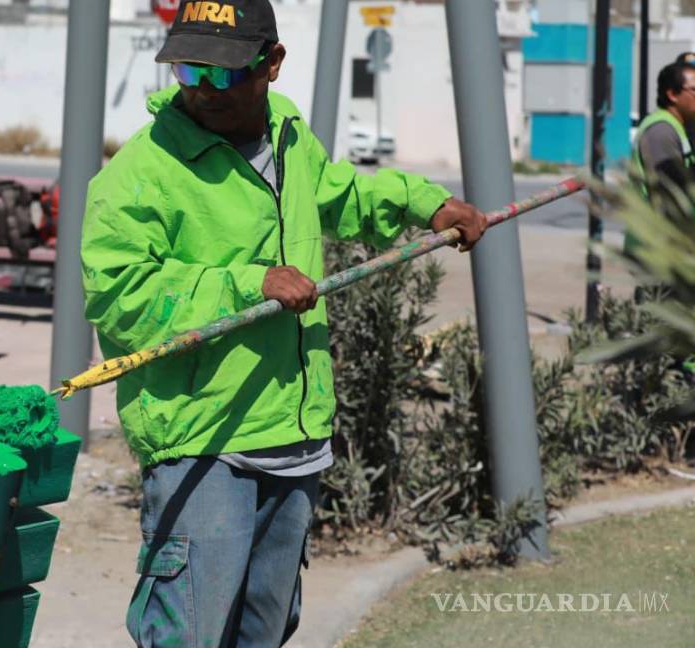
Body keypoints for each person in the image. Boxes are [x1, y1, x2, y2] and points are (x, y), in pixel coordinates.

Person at [79, 1, 487, 646]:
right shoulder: (134, 178)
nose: (202, 92)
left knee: (265, 631)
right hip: (202, 444)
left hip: (294, 435)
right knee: (189, 634)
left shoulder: (289, 134)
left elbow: (335, 193)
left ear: (271, 64)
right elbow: (122, 303)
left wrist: (425, 202)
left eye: (222, 74)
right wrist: (248, 283)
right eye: (188, 72)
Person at [629, 62, 695, 257]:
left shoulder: (678, 126)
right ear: (672, 94)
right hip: (658, 250)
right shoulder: (661, 130)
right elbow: (672, 187)